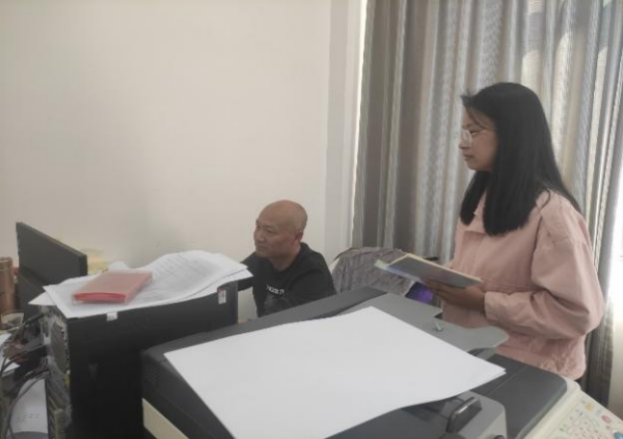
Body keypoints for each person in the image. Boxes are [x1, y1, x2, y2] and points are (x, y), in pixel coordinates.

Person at [426, 82, 604, 380]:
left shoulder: (553, 214)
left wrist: (483, 302)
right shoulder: (484, 197)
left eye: (474, 132)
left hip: (528, 370)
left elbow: (578, 313)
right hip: (475, 352)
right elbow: (486, 270)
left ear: (513, 135)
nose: (462, 143)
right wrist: (445, 277)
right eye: (462, 132)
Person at [238, 200, 336, 317]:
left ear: (297, 237)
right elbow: (228, 282)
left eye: (269, 231)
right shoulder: (262, 257)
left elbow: (285, 320)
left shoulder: (313, 270)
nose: (259, 237)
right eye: (258, 227)